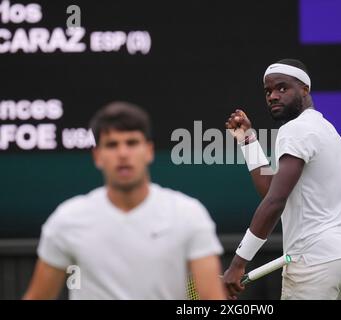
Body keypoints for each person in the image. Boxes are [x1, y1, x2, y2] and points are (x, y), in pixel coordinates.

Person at [24, 101, 226, 300]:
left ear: (149, 151)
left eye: (132, 143)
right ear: (97, 156)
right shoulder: (66, 220)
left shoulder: (188, 215)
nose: (122, 154)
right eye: (112, 145)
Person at [223, 59, 341, 300]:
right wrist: (247, 140)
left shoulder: (296, 130)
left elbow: (275, 202)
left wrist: (238, 263)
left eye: (282, 88)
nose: (273, 96)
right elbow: (272, 191)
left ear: (305, 90)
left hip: (316, 262)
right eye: (268, 91)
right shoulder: (327, 130)